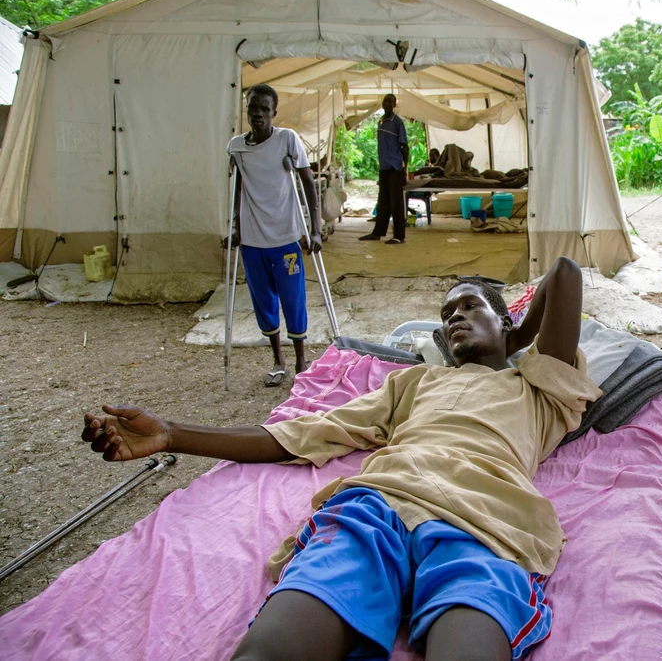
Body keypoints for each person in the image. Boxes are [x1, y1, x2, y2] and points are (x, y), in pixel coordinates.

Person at [82, 256, 599, 661]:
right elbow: (304, 434)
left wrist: (517, 338)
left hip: (486, 520)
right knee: (269, 651)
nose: (455, 318)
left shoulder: (538, 384)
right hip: (377, 509)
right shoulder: (415, 381)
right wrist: (173, 434)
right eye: (447, 316)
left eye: (468, 307)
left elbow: (564, 274)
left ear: (508, 320)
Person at [225, 83, 322, 387]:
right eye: (252, 108)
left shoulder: (287, 139)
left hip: (285, 238)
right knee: (263, 303)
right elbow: (237, 189)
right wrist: (235, 229)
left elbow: (308, 184)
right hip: (253, 242)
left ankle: (300, 360)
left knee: (293, 301)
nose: (257, 114)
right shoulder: (236, 146)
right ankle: (278, 361)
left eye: (264, 109)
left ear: (273, 113)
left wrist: (316, 230)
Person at [360, 93, 409, 244]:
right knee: (383, 202)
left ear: (394, 105)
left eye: (390, 101)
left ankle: (399, 236)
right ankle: (378, 232)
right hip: (384, 167)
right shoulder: (381, 122)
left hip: (395, 168)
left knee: (396, 203)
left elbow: (405, 147)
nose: (386, 103)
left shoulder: (397, 122)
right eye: (385, 101)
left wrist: (404, 170)